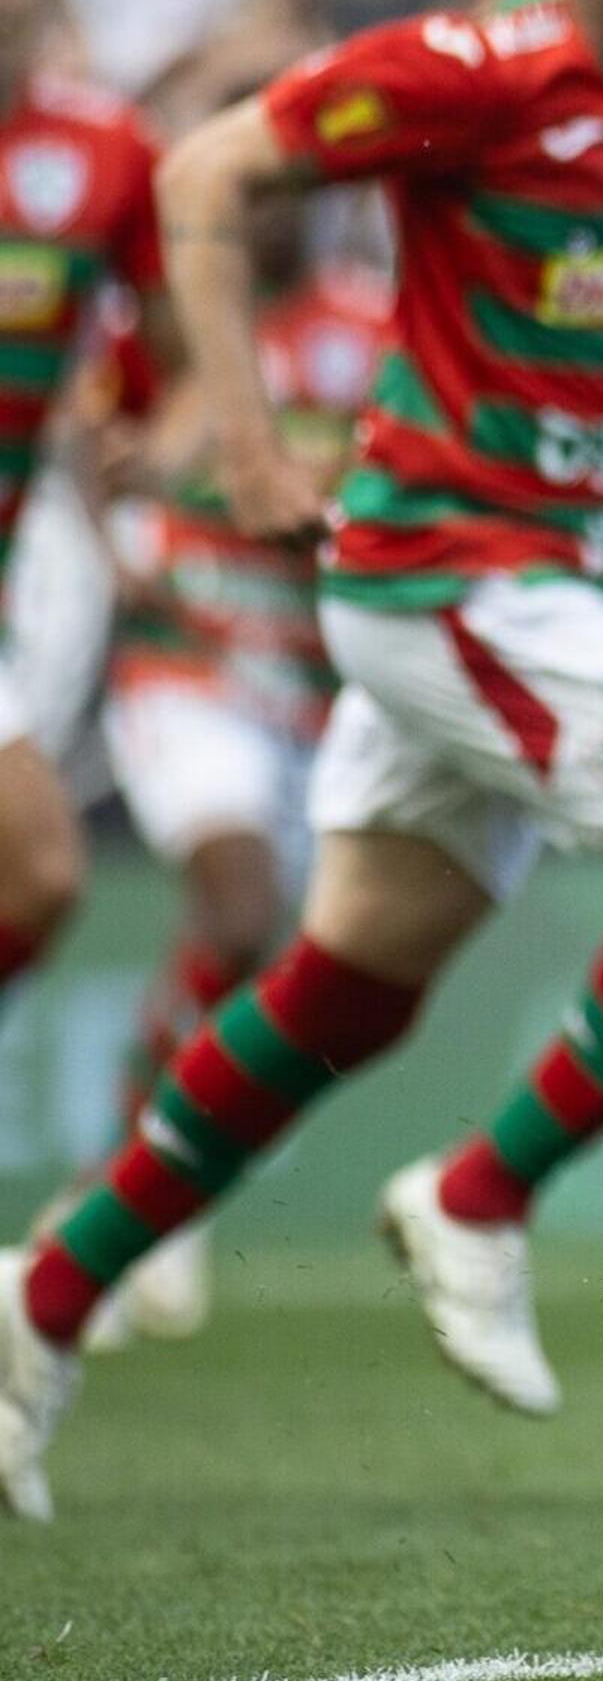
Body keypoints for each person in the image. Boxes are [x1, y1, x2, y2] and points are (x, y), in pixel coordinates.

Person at [0, 0, 603, 1524]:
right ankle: (481, 1197)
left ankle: (42, 1303)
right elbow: (207, 173)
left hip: (559, 587)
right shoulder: (472, 75)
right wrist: (243, 444)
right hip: (447, 577)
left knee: (340, 998)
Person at [79, 218, 391, 1349]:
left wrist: (338, 487)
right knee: (239, 903)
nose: (268, 210)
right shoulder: (174, 317)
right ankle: (125, 1196)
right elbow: (85, 420)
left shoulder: (377, 325)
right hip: (190, 660)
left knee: (299, 967)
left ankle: (135, 1190)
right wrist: (100, 529)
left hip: (315, 691)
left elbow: (419, 468)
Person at [0, 0, 165, 1045]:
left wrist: (137, 446)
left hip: (22, 563)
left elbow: (163, 356)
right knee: (42, 862)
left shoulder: (103, 149)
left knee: (38, 878)